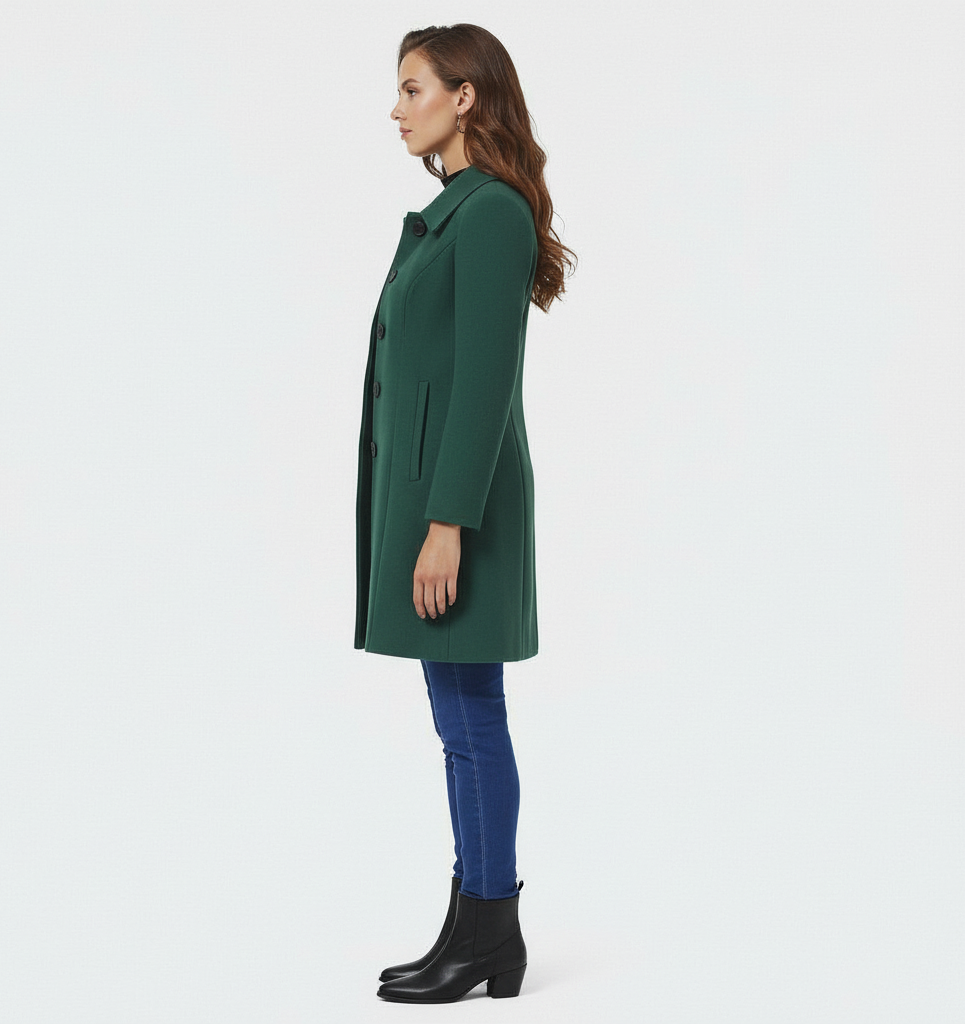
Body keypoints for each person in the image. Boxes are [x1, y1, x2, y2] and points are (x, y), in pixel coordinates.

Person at [354, 23, 574, 1004]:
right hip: (434, 500)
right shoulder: (458, 212)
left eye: (413, 89)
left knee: (471, 719)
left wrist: (447, 524)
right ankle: (476, 922)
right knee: (458, 719)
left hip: (457, 510)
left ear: (465, 96)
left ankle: (489, 927)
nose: (396, 109)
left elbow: (485, 383)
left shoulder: (487, 214)